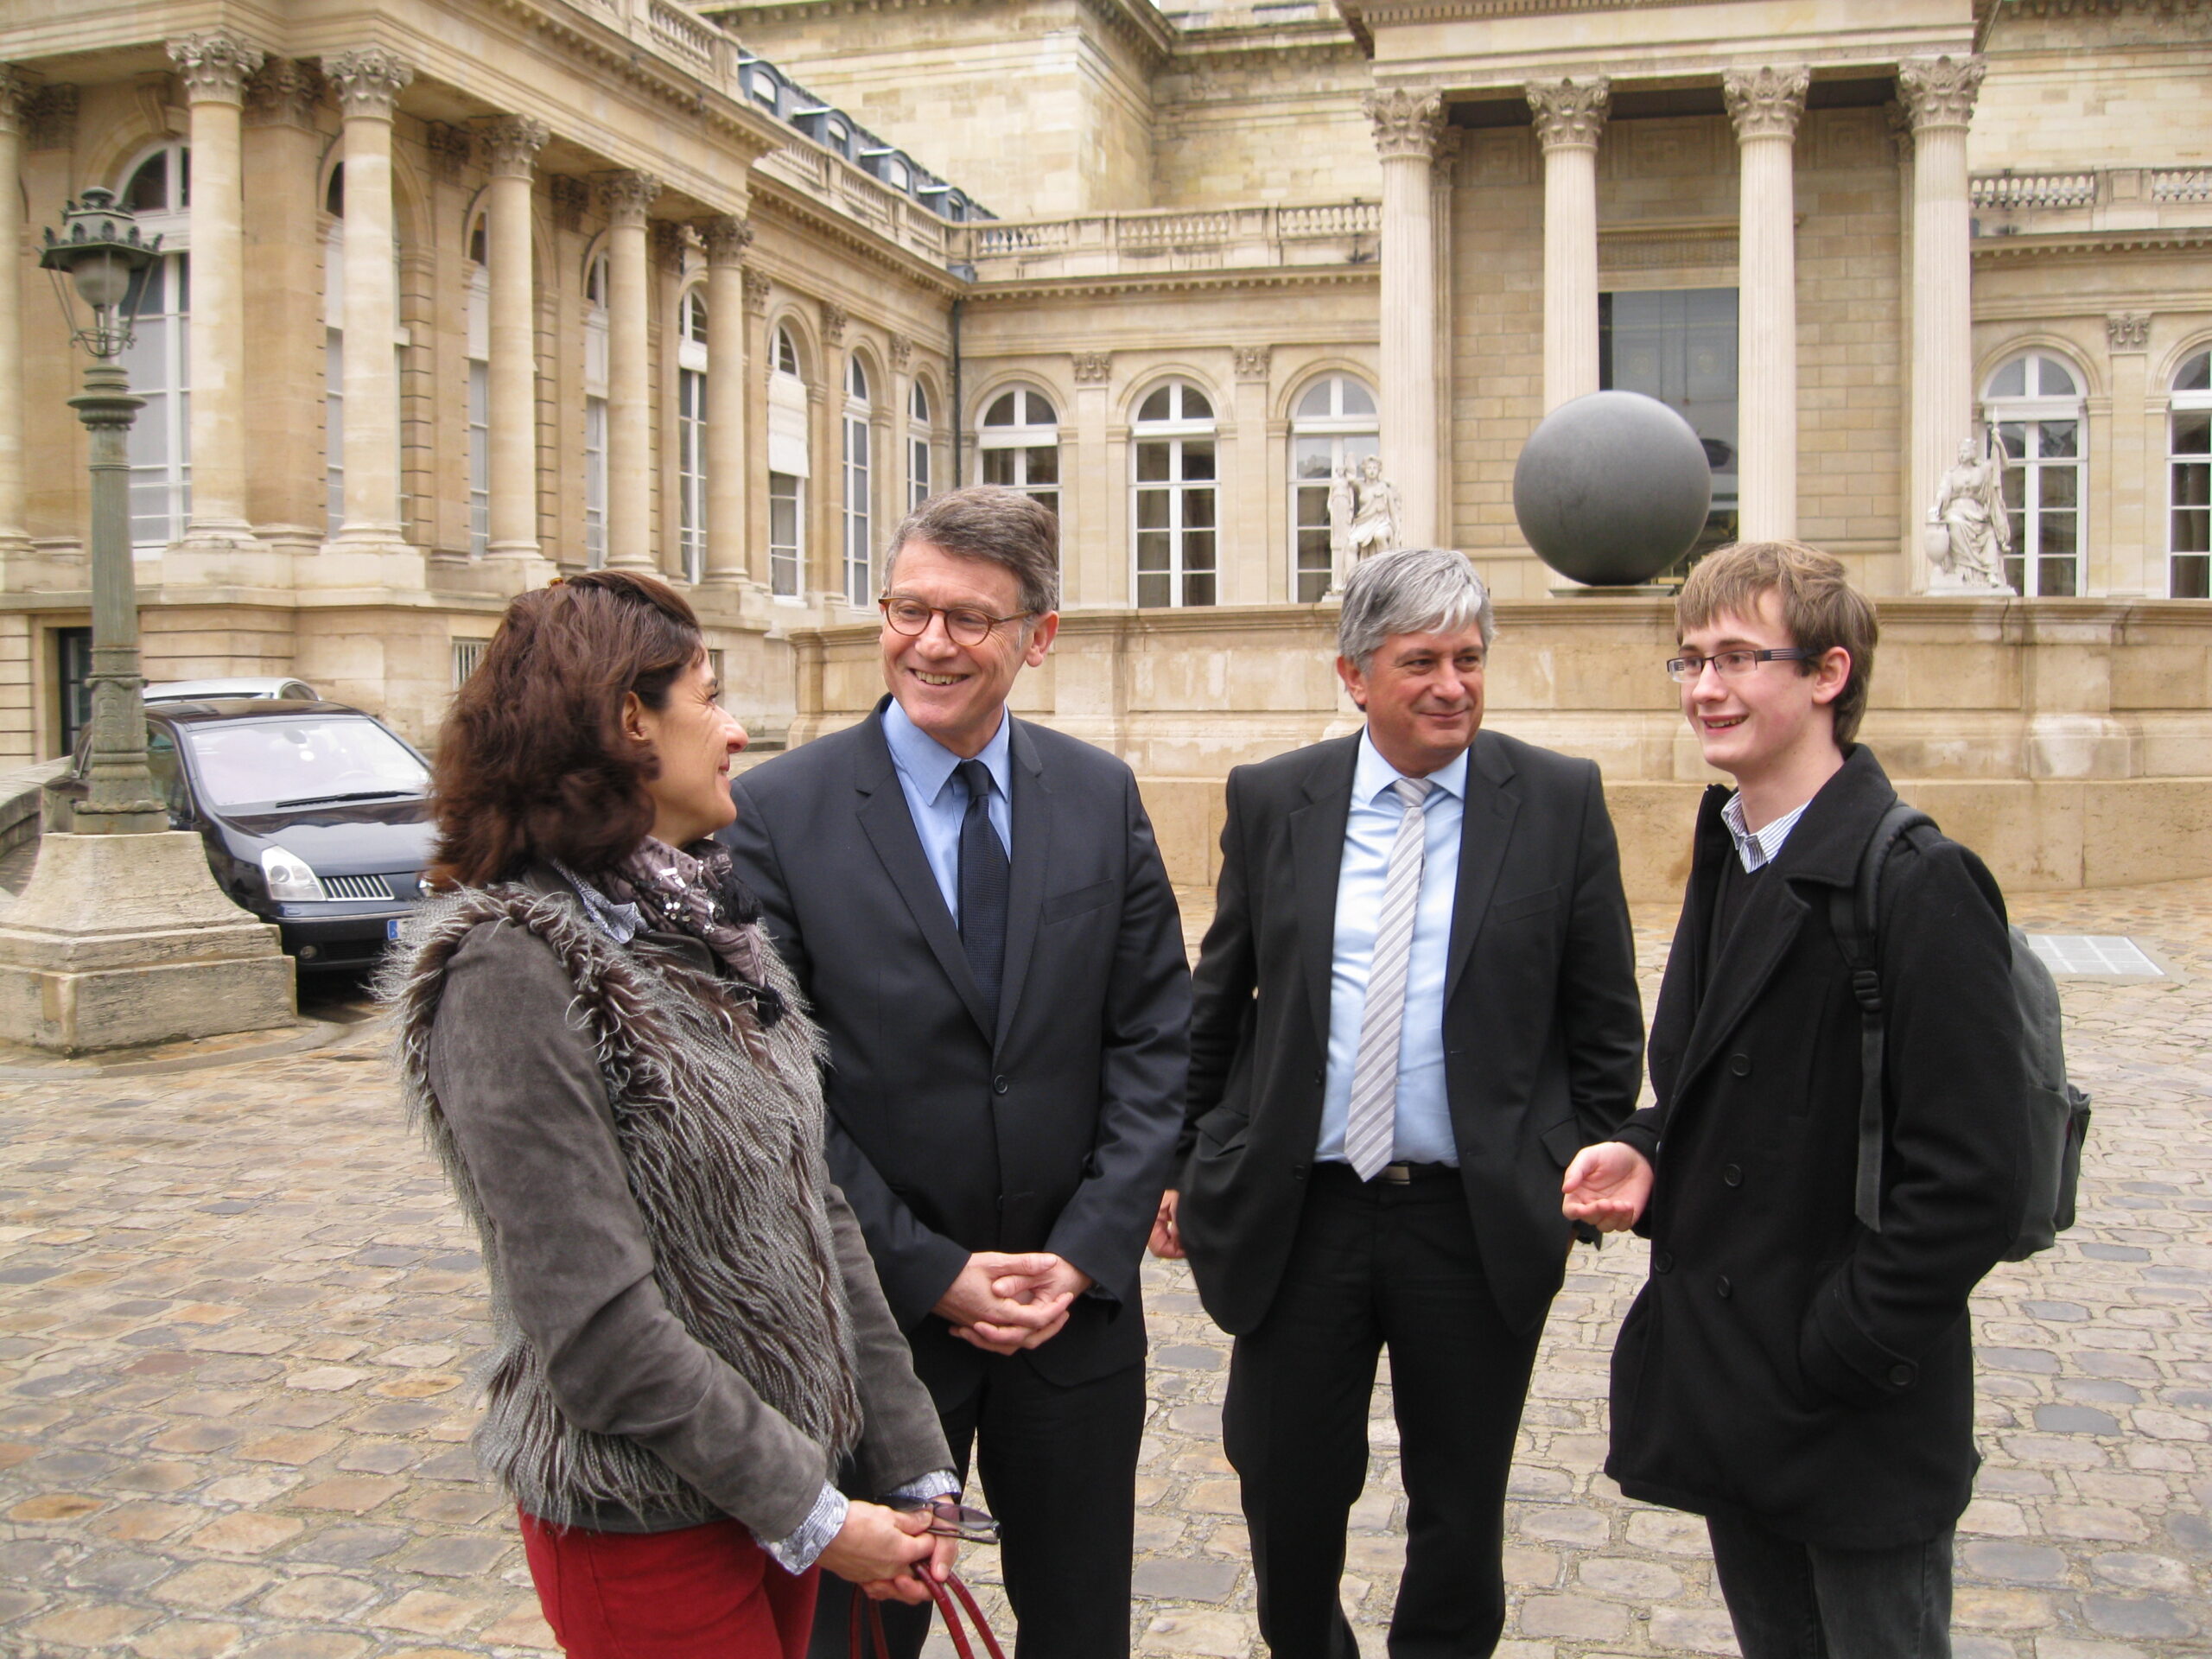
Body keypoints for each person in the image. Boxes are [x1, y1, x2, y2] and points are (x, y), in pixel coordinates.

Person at [381, 571, 963, 1659]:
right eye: (709, 696)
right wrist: (821, 1518)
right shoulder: (514, 964)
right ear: (627, 720)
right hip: (643, 1517)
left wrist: (911, 1459)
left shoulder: (699, 923)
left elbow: (812, 1205)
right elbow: (595, 1328)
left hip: (767, 1491)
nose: (736, 729)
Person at [719, 486, 1192, 1659]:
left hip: (1071, 1328)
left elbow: (1153, 1041)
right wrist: (931, 1270)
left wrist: (1084, 1255)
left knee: (1081, 1632)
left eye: (969, 620)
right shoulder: (777, 812)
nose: (930, 644)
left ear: (1041, 634)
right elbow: (776, 1090)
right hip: (872, 1332)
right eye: (909, 610)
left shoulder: (1099, 794)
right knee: (856, 1647)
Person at [1159, 546, 1644, 1659]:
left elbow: (1603, 1022)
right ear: (1354, 676)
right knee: (1285, 1487)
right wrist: (1184, 1159)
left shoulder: (1556, 801)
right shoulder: (1276, 799)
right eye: (1419, 660)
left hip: (1469, 1224)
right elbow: (1219, 997)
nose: (1451, 685)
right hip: (1303, 1209)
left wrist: (1564, 1160)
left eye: (1469, 659)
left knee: (1460, 1508)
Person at [1563, 541, 2026, 1659]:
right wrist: (1645, 1150)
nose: (1705, 689)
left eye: (1735, 658)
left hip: (1852, 1407)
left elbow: (1975, 1183)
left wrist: (1847, 1344)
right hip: (1742, 1390)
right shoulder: (1734, 852)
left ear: (1827, 674)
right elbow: (1716, 1089)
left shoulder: (1914, 881)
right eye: (1689, 662)